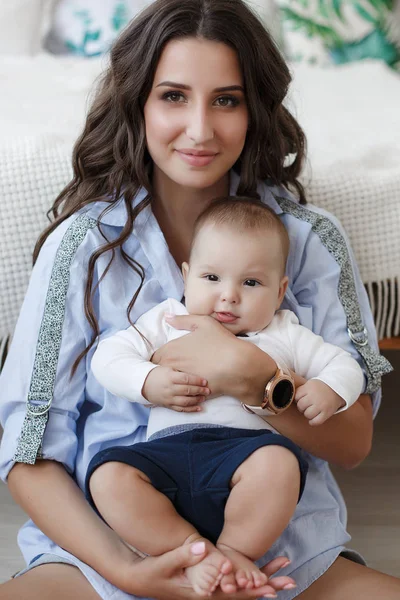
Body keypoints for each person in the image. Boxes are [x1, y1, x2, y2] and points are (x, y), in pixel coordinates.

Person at [0, 0, 397, 598]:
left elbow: (353, 442)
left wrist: (257, 385)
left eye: (227, 100)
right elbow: (29, 451)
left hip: (282, 560)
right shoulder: (82, 246)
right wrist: (130, 571)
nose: (201, 130)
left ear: (254, 107)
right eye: (173, 96)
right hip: (114, 554)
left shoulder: (310, 240)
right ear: (138, 102)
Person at [86, 197, 365, 597]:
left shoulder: (285, 331)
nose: (228, 296)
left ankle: (235, 550)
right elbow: (109, 357)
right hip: (166, 455)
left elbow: (344, 365)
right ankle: (192, 551)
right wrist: (147, 380)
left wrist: (329, 389)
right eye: (211, 278)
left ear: (280, 289)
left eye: (250, 283)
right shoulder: (168, 320)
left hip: (245, 454)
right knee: (108, 476)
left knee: (279, 465)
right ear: (186, 276)